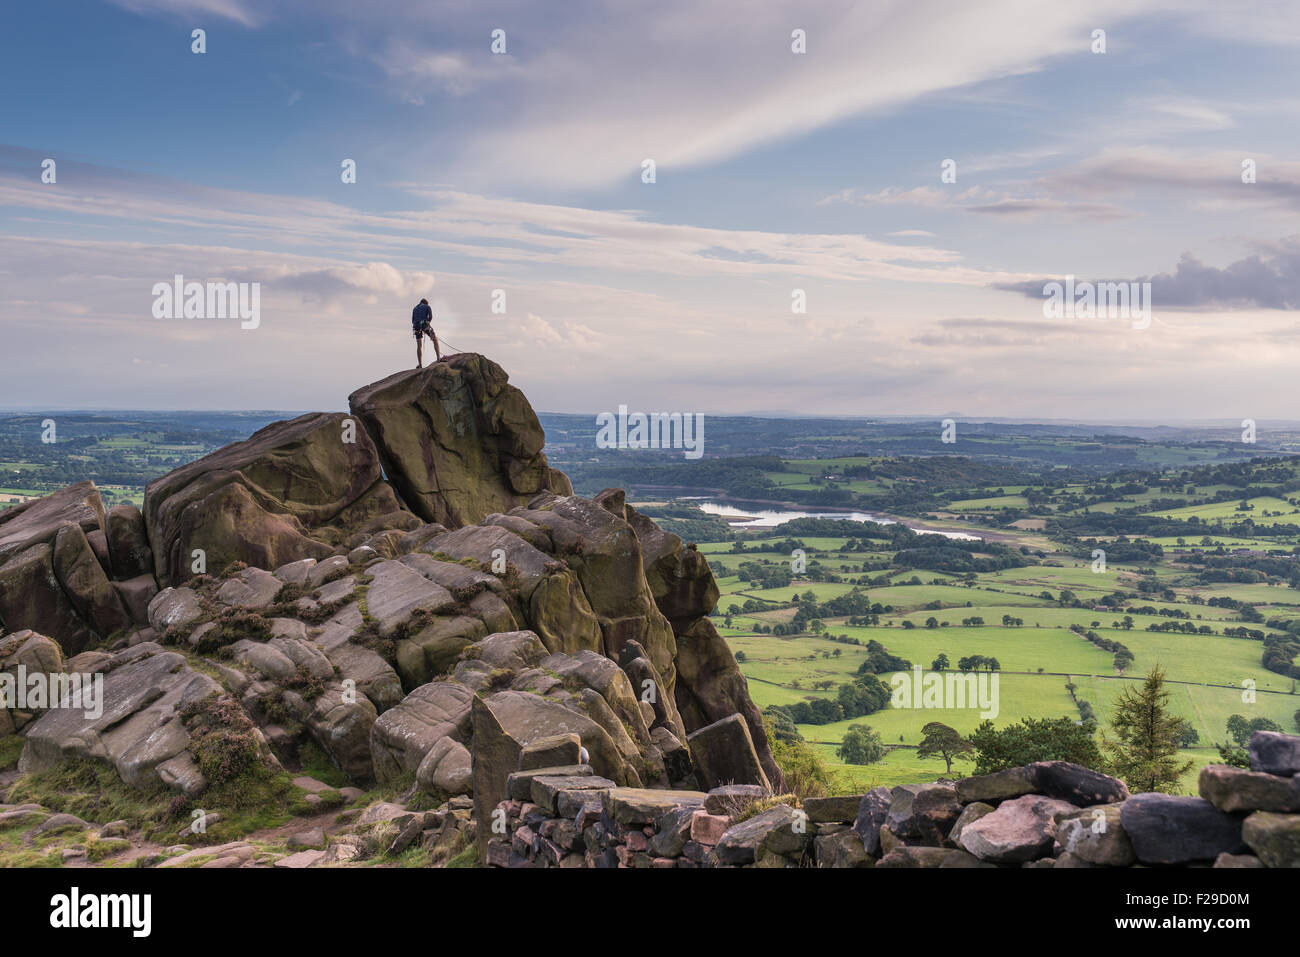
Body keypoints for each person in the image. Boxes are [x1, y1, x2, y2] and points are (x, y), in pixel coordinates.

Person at [411, 298, 441, 368]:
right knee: (435, 339)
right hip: (424, 324)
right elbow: (430, 317)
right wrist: (427, 323)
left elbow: (413, 320)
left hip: (416, 327)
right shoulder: (427, 307)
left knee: (419, 345)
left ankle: (420, 364)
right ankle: (438, 358)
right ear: (426, 303)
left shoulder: (415, 309)